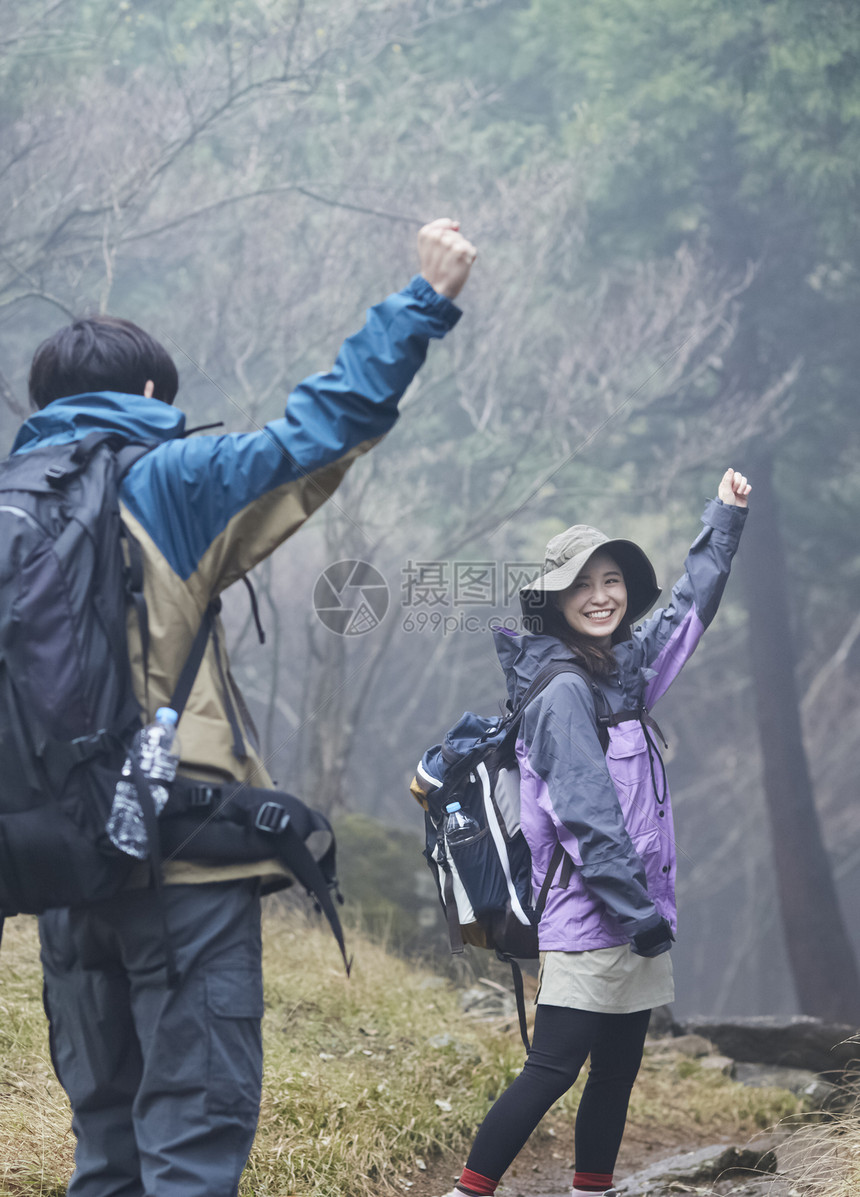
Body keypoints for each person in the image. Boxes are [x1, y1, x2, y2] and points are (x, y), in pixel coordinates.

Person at [18, 217, 476, 1196]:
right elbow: (319, 430)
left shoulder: (13, 508)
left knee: (105, 1149)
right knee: (192, 1136)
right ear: (148, 396)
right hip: (180, 868)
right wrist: (420, 303)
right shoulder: (168, 481)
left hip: (58, 873)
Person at [444, 468, 750, 1197]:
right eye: (583, 585)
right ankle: (466, 1191)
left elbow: (686, 613)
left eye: (611, 579)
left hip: (637, 912)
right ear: (556, 602)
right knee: (552, 1067)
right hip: (591, 916)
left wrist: (726, 518)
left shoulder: (621, 673)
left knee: (617, 1068)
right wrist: (635, 910)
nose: (602, 594)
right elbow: (585, 815)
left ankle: (593, 1188)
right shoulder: (562, 692)